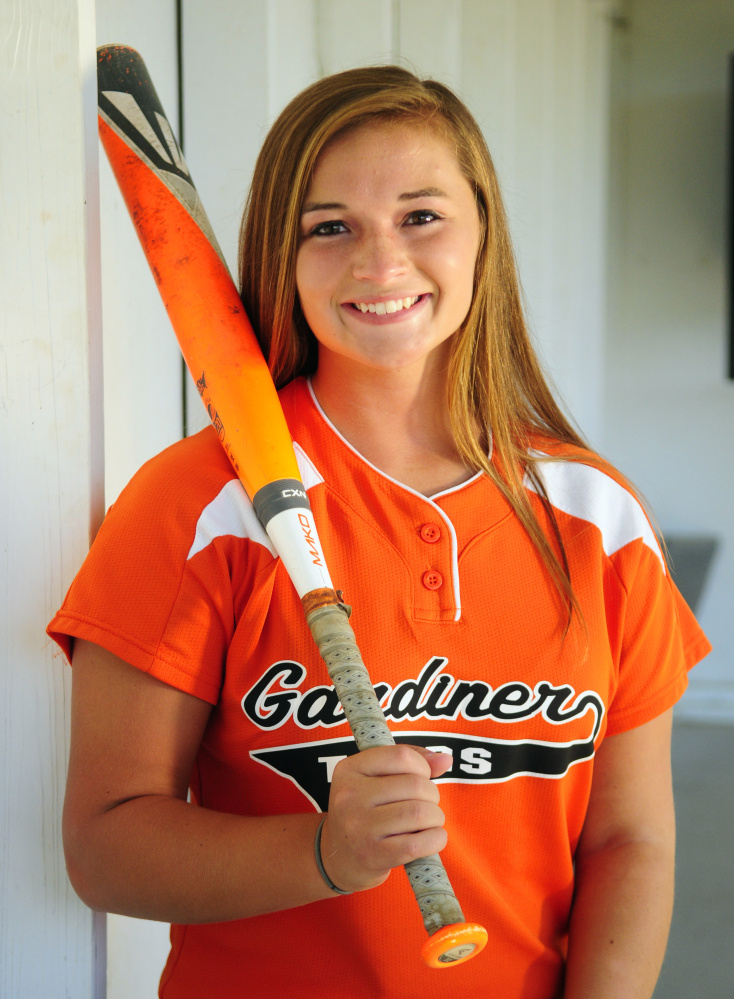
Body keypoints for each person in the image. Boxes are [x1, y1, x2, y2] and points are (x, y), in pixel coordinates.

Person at [49, 66, 710, 999]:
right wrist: (324, 851)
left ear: (484, 232)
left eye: (420, 216)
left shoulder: (598, 518)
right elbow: (105, 845)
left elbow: (630, 838)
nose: (380, 262)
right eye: (331, 227)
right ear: (283, 255)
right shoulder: (198, 507)